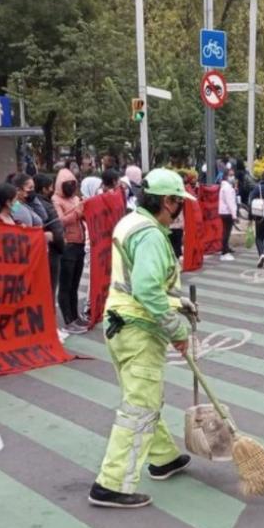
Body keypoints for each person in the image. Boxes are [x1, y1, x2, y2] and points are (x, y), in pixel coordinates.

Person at [91, 169, 198, 508]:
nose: (181, 209)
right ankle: (112, 485)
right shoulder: (151, 235)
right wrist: (177, 328)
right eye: (179, 202)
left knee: (143, 397)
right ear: (167, 201)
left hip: (120, 323)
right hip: (139, 328)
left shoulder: (130, 221)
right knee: (139, 407)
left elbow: (141, 283)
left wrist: (178, 302)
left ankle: (163, 456)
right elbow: (148, 289)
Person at [52, 167, 87, 333]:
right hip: (68, 245)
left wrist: (86, 209)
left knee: (75, 284)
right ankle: (68, 319)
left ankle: (75, 315)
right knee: (66, 285)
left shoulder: (75, 198)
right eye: (68, 184)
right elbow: (59, 221)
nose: (71, 187)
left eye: (73, 184)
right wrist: (77, 213)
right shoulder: (56, 200)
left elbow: (83, 215)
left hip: (80, 244)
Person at [218, 170, 237, 261]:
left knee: (226, 232)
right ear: (226, 176)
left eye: (233, 175)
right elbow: (230, 202)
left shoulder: (225, 187)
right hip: (227, 212)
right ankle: (224, 252)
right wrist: (234, 215)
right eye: (230, 175)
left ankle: (225, 249)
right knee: (226, 232)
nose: (232, 177)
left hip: (224, 212)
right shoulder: (227, 188)